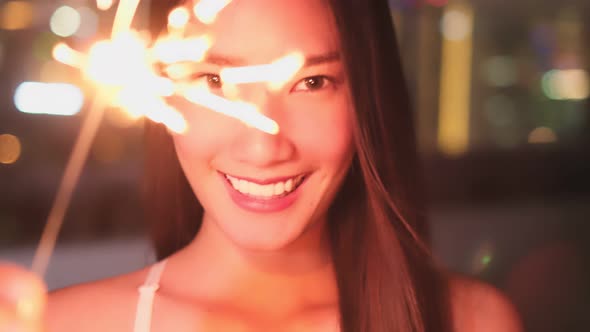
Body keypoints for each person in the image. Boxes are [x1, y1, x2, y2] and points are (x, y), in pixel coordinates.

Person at [1, 0, 524, 331]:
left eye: (311, 83)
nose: (261, 146)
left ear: (366, 99)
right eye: (213, 81)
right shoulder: (62, 326)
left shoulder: (471, 322)